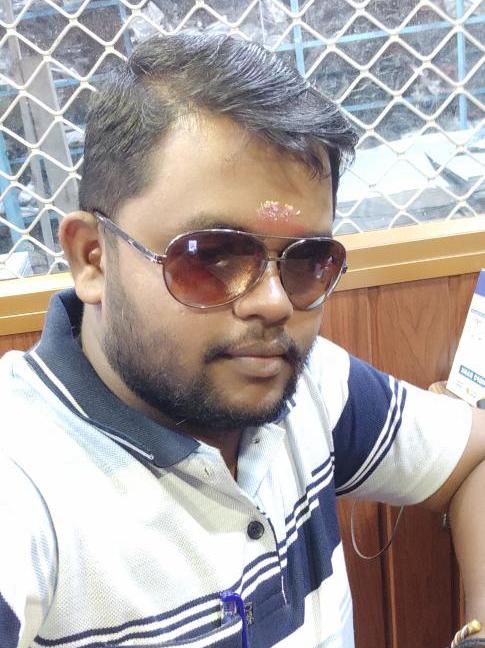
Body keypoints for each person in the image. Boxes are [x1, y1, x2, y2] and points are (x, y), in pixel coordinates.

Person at [1, 31, 484, 648]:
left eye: (307, 260)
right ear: (93, 257)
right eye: (211, 256)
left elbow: (473, 454)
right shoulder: (24, 484)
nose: (275, 302)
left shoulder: (311, 385)